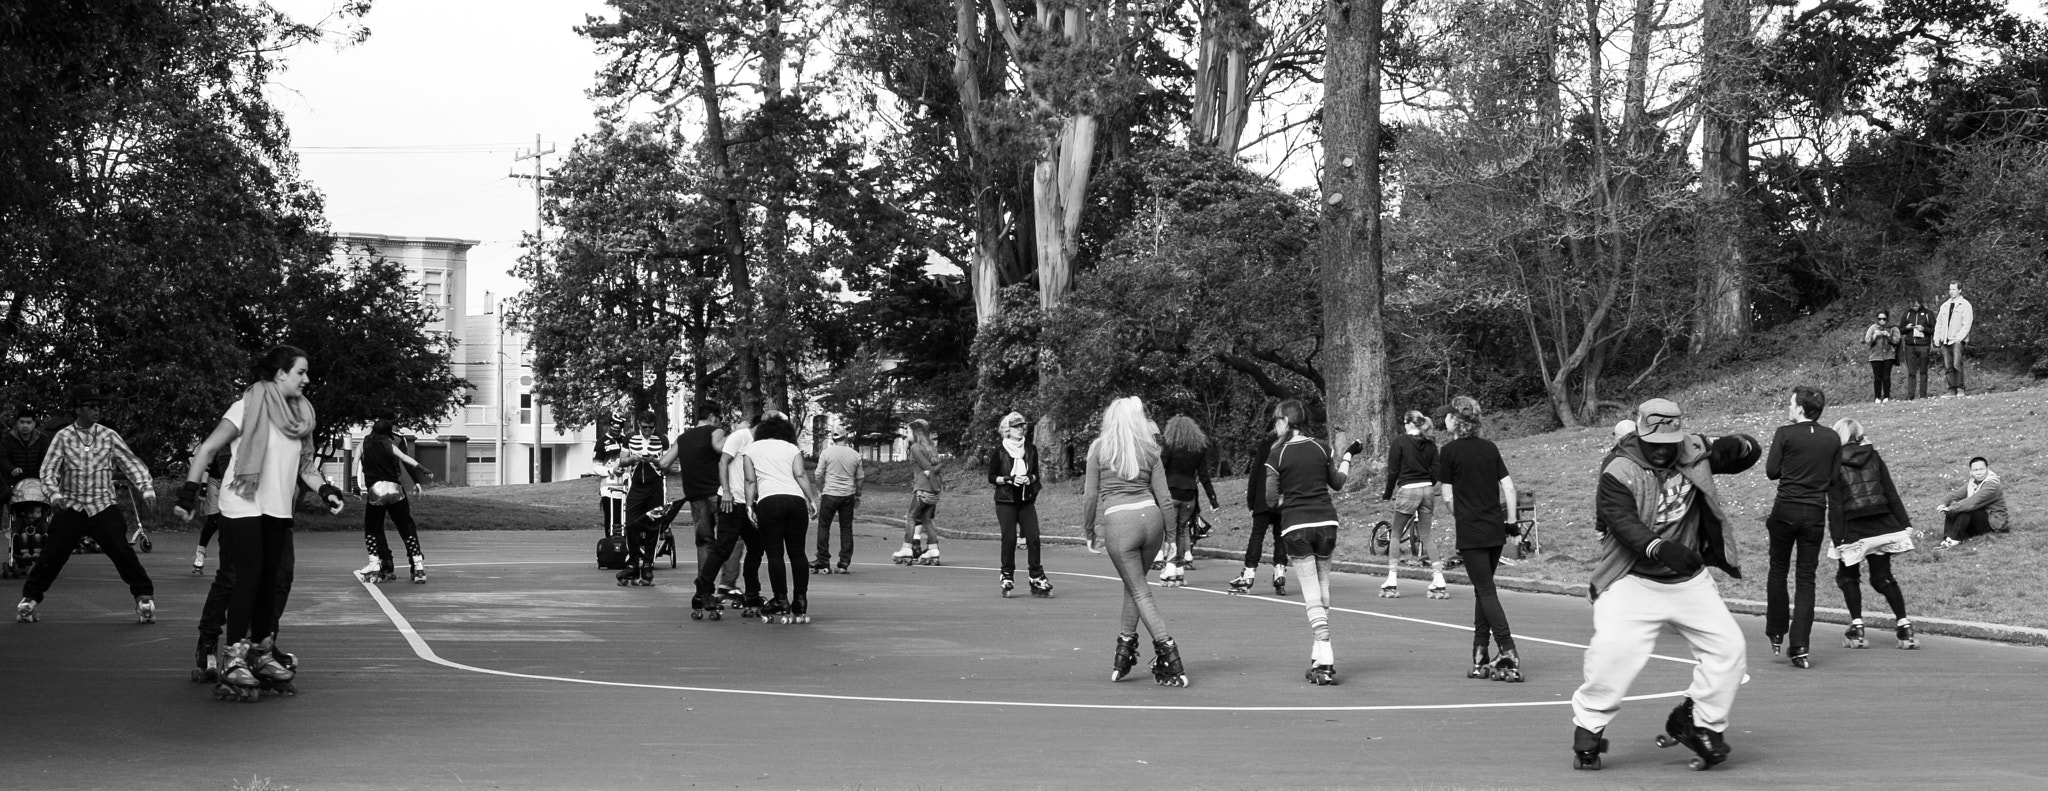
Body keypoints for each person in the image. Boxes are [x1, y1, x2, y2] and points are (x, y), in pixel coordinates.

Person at [1569, 397, 1761, 771]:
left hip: (1688, 580)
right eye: (1653, 444)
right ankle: (1588, 729)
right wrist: (1660, 548)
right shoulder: (1618, 468)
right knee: (1615, 652)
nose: (1661, 452)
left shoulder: (1691, 452)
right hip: (1632, 579)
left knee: (1729, 650)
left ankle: (1698, 722)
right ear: (1639, 434)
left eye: (1668, 444)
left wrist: (1742, 446)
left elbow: (1742, 453)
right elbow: (1621, 521)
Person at [175, 345, 347, 701]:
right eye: (300, 372)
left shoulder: (301, 416)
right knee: (247, 579)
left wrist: (326, 489)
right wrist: (188, 494)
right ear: (281, 373)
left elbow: (304, 466)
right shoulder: (247, 406)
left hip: (277, 508)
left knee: (273, 581)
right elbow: (207, 450)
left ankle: (261, 651)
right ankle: (233, 655)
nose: (306, 379)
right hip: (242, 505)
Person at [15, 386, 159, 625]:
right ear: (77, 409)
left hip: (102, 505)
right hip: (71, 505)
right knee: (52, 554)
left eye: (98, 406)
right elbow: (48, 469)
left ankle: (144, 598)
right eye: (91, 406)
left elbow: (131, 463)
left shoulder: (109, 436)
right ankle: (29, 601)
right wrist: (54, 495)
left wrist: (147, 489)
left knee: (122, 551)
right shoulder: (63, 437)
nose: (96, 410)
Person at [1080, 397, 1186, 687]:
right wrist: (1172, 537)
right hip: (1150, 519)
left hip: (1120, 522)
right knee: (1134, 584)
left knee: (1140, 591)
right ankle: (1125, 648)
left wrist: (1089, 530)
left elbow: (1090, 497)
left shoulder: (1099, 448)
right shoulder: (1150, 449)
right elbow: (1165, 498)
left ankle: (1169, 654)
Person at [1263, 398, 1364, 686]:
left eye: (1276, 420)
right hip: (1327, 523)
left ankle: (1326, 650)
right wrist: (1347, 456)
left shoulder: (1277, 455)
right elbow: (1338, 482)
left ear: (1285, 421)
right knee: (1322, 588)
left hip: (1297, 525)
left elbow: (1270, 500)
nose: (1274, 425)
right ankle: (1317, 656)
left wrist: (1291, 498)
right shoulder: (1321, 447)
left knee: (1310, 593)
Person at [1436, 395, 1524, 682]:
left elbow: (1447, 496)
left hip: (1471, 529)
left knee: (1485, 590)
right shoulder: (1490, 448)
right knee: (1481, 587)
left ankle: (1507, 647)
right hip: (1494, 528)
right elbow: (1509, 488)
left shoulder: (1448, 452)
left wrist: (1459, 513)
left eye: (1448, 415)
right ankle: (1480, 651)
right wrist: (1511, 521)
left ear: (1455, 421)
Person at [1825, 418, 1919, 650]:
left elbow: (1836, 503)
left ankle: (1857, 626)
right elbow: (1890, 491)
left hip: (1852, 526)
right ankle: (1904, 625)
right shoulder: (1874, 456)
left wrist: (1837, 536)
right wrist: (1904, 523)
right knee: (1883, 577)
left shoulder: (1834, 462)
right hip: (1882, 524)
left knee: (1847, 576)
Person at [1763, 384, 1839, 668]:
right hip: (1815, 511)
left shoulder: (1785, 434)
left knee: (1778, 569)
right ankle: (1800, 645)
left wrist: (1792, 470)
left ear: (1801, 408)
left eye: (1791, 403)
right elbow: (1833, 478)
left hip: (1786, 507)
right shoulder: (1831, 438)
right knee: (1806, 577)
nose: (1788, 407)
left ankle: (1776, 629)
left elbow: (1771, 471)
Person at [742, 412, 817, 623]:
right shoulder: (791, 448)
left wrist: (749, 506)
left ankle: (781, 599)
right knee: (797, 553)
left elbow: (750, 481)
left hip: (769, 501)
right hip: (794, 501)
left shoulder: (751, 449)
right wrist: (811, 500)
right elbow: (800, 475)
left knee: (775, 554)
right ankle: (800, 600)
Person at [351, 418, 433, 584]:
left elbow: (354, 463)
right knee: (405, 526)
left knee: (372, 527)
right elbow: (404, 457)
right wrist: (423, 469)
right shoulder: (389, 444)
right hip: (396, 490)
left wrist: (355, 485)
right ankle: (417, 564)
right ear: (388, 432)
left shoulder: (363, 444)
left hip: (376, 490)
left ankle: (375, 563)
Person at [1379, 410, 1445, 599]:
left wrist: (1388, 493)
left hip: (1408, 489)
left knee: (1396, 534)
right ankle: (1439, 578)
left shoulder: (1400, 442)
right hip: (1427, 490)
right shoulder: (1430, 444)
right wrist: (1429, 483)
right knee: (1426, 535)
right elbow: (1436, 470)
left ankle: (1391, 578)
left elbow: (1393, 471)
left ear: (1408, 424)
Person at [661, 406, 727, 592]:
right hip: (716, 493)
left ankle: (704, 588)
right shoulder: (716, 431)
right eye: (720, 418)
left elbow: (664, 463)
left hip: (695, 495)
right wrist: (739, 435)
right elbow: (718, 446)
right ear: (713, 417)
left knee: (704, 541)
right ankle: (727, 584)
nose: (720, 423)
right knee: (728, 539)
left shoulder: (682, 439)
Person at [986, 411, 1049, 597]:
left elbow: (1037, 473)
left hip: (1026, 500)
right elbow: (991, 477)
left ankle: (1036, 576)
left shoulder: (1031, 449)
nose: (1020, 430)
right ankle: (1007, 574)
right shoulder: (999, 451)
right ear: (1007, 429)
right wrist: (1008, 479)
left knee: (1033, 537)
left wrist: (1030, 478)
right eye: (1015, 427)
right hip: (1006, 501)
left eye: (1022, 426)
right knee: (1010, 538)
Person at [1158, 415, 1219, 586]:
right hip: (1190, 497)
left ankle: (1170, 566)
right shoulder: (1198, 449)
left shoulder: (1169, 446)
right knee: (1181, 530)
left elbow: (1160, 469)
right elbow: (1204, 476)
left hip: (1171, 494)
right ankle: (1178, 568)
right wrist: (1213, 499)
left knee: (1170, 530)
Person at [1230, 427, 1289, 596]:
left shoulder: (1265, 446)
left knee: (1257, 535)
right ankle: (1280, 571)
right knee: (1280, 536)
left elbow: (1255, 474)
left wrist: (1251, 501)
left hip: (1263, 499)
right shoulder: (1291, 448)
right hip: (1282, 499)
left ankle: (1248, 573)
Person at [614, 411, 669, 586]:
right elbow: (621, 461)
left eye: (651, 428)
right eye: (644, 428)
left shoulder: (662, 439)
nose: (647, 432)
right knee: (631, 524)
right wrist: (634, 459)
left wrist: (654, 461)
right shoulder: (629, 438)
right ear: (639, 425)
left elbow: (668, 466)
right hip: (636, 487)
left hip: (655, 488)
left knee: (653, 527)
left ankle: (647, 566)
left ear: (655, 426)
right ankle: (632, 563)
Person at [811, 428, 863, 574]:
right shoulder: (855, 454)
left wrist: (819, 490)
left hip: (830, 493)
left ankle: (823, 559)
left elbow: (818, 474)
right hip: (848, 494)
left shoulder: (826, 453)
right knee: (846, 527)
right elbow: (860, 478)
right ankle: (844, 562)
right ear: (846, 437)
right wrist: (858, 494)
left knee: (824, 526)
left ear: (833, 439)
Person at [892, 419, 944, 566]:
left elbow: (926, 466)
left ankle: (907, 547)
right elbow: (939, 464)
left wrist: (928, 473)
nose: (907, 434)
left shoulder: (915, 447)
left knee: (911, 516)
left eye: (908, 431)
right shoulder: (931, 446)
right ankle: (933, 548)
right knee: (926, 518)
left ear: (914, 433)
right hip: (934, 491)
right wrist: (934, 476)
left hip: (922, 489)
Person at [1936, 456, 2007, 549]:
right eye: (1975, 470)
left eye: (1981, 469)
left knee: (1965, 508)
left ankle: (1954, 539)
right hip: (1979, 521)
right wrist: (1943, 503)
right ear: (1971, 472)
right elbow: (1955, 494)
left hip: (1993, 524)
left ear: (1987, 469)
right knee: (1955, 505)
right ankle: (1948, 539)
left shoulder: (1992, 485)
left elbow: (1972, 502)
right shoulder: (1973, 483)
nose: (1979, 472)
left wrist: (1950, 509)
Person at [1933, 281, 1974, 397]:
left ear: (1960, 290)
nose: (1951, 292)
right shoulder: (1945, 306)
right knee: (1948, 365)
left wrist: (1959, 338)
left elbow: (1967, 324)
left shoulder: (1965, 305)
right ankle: (1951, 389)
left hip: (1957, 340)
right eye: (1950, 289)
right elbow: (1939, 323)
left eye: (1954, 289)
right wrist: (1937, 337)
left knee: (1957, 364)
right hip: (1945, 340)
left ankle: (1960, 389)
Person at [1900, 296, 1936, 400]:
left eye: (1916, 304)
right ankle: (1910, 396)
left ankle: (1923, 395)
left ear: (1920, 303)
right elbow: (1900, 329)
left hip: (1923, 345)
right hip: (1910, 346)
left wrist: (1923, 329)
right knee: (1911, 372)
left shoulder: (1928, 313)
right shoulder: (1907, 313)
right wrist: (1907, 328)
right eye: (1912, 305)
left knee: (1923, 371)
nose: (1914, 307)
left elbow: (1934, 329)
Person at [1864, 310, 1900, 403]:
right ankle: (1877, 397)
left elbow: (1897, 340)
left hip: (1889, 355)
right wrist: (1875, 335)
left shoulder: (1893, 328)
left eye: (1884, 318)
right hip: (1875, 356)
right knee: (1877, 377)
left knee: (1886, 376)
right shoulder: (1872, 328)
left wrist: (1888, 335)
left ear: (1887, 318)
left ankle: (1886, 396)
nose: (1882, 321)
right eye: (1880, 319)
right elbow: (1867, 340)